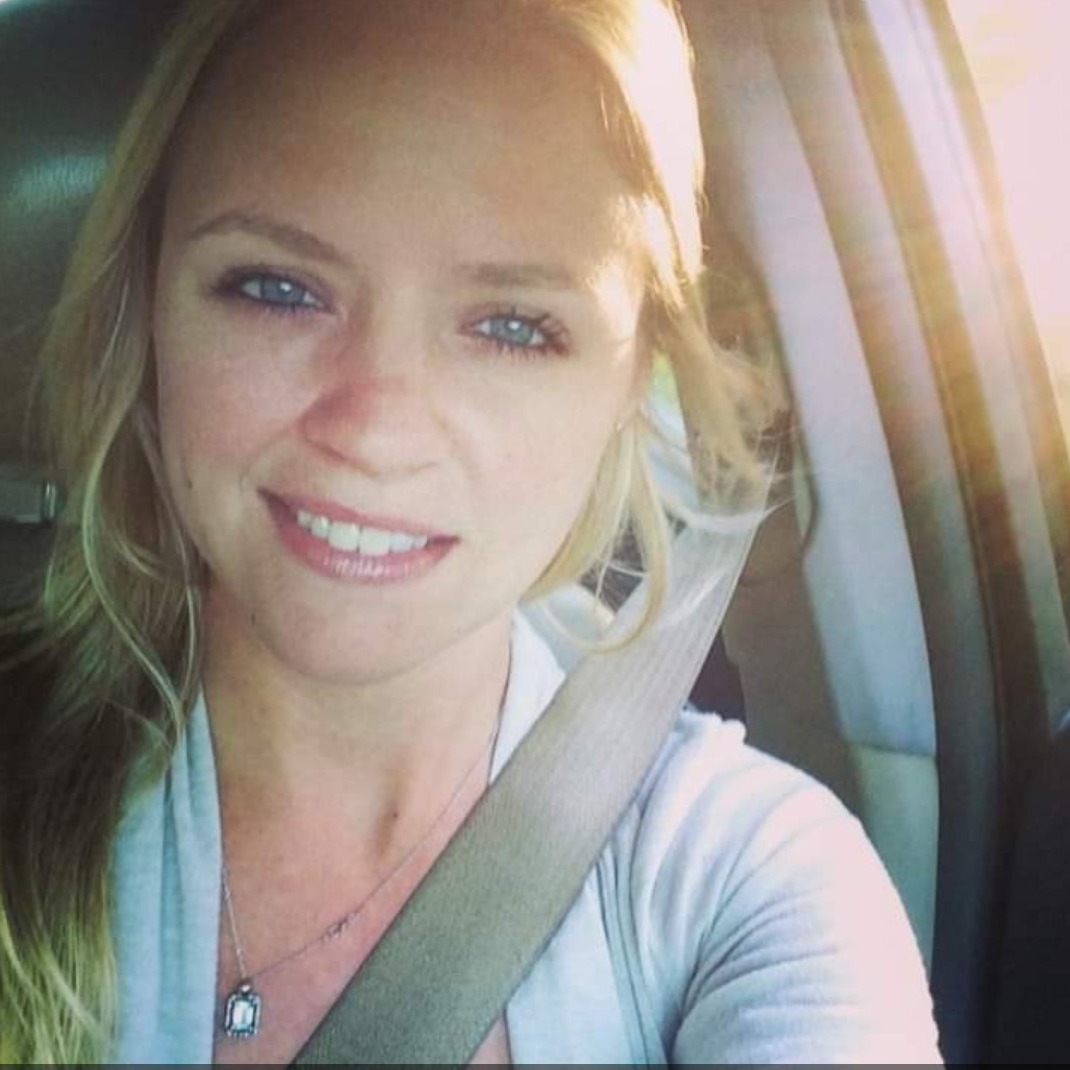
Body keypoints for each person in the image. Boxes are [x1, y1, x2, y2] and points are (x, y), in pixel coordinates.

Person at [0, 0, 941, 1063]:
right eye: (276, 288)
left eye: (512, 327)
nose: (375, 431)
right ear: (150, 306)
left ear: (633, 378)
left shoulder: (744, 880)